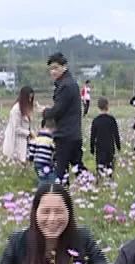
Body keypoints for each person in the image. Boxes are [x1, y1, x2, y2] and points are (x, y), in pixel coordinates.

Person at [42, 52, 85, 186]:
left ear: (64, 66)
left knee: (60, 170)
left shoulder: (66, 86)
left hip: (65, 134)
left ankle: (61, 196)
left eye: (56, 68)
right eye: (51, 69)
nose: (53, 72)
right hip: (73, 133)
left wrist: (45, 112)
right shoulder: (69, 83)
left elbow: (58, 110)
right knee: (77, 166)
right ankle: (92, 184)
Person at [90, 96, 121, 179]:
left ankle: (100, 181)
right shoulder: (112, 119)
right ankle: (110, 180)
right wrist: (118, 146)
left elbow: (92, 136)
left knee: (100, 166)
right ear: (107, 105)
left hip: (99, 148)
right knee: (110, 166)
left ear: (98, 106)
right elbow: (116, 134)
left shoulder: (96, 120)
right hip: (110, 147)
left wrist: (92, 148)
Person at [3, 86, 35, 162]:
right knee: (20, 161)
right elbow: (16, 129)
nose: (30, 100)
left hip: (25, 140)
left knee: (26, 161)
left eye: (31, 98)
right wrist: (29, 133)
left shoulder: (25, 108)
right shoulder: (16, 110)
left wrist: (31, 133)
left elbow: (27, 125)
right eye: (29, 98)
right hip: (16, 140)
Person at [27, 117, 57, 186]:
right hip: (45, 164)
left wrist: (31, 158)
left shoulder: (37, 139)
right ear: (52, 130)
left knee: (42, 177)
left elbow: (31, 148)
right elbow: (56, 150)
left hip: (37, 164)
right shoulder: (50, 141)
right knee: (49, 177)